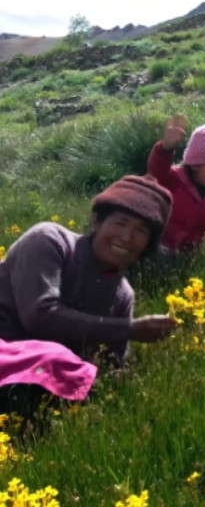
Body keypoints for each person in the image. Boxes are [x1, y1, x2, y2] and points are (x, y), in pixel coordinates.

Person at [0, 175, 177, 409]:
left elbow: (109, 363)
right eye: (120, 223)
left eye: (140, 231)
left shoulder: (122, 295)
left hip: (35, 375)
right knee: (56, 360)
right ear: (96, 222)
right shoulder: (49, 240)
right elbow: (39, 317)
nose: (126, 237)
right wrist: (129, 329)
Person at [148, 115, 205, 252]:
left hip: (187, 256)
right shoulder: (172, 179)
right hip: (154, 247)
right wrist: (166, 148)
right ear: (196, 165)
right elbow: (156, 170)